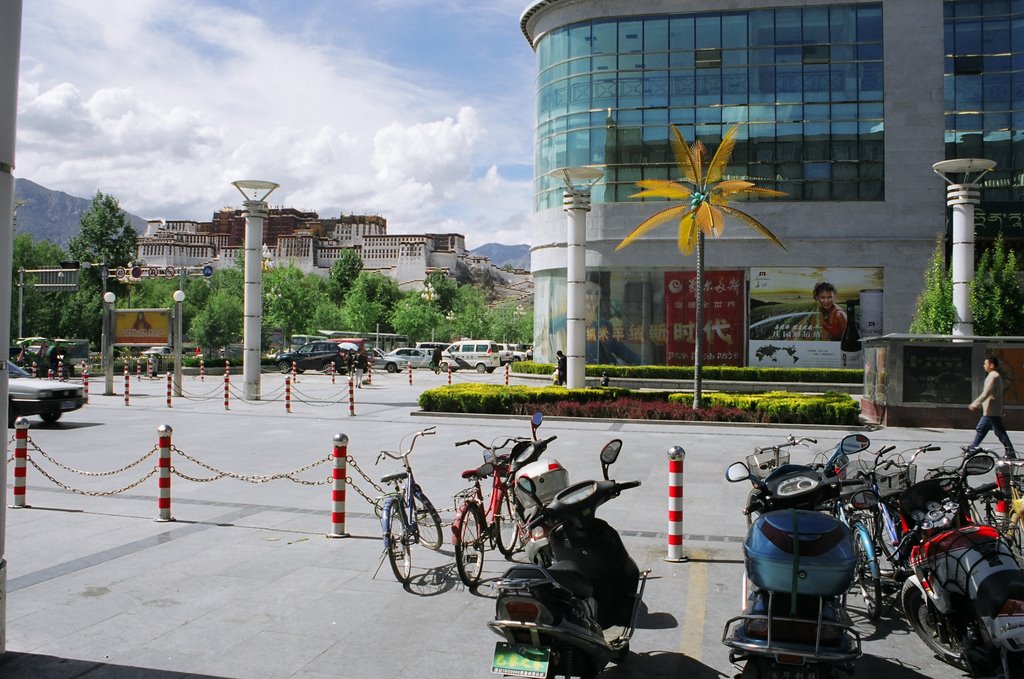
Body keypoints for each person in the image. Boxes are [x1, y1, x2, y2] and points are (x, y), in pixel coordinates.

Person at [968, 355, 1016, 458]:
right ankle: (973, 447)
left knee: (991, 430)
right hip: (992, 409)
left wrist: (975, 403)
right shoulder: (995, 376)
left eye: (986, 364)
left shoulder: (993, 376)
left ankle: (973, 447)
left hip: (991, 410)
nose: (984, 365)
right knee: (988, 430)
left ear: (992, 365)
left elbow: (986, 393)